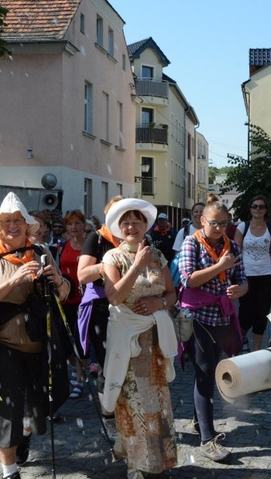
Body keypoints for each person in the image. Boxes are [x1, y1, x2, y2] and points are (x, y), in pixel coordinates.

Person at [0, 192, 73, 479]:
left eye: (18, 220)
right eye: (6, 222)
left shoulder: (42, 252)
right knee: (6, 413)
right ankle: (9, 470)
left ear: (28, 226)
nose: (12, 226)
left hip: (40, 346)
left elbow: (63, 295)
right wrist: (14, 280)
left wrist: (58, 281)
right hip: (4, 347)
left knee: (37, 408)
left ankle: (26, 431)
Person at [101, 198, 178, 478]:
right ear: (119, 228)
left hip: (155, 341)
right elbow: (115, 296)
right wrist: (136, 265)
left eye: (136, 221)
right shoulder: (112, 257)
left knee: (156, 401)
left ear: (146, 225)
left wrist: (160, 304)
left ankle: (157, 459)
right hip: (130, 345)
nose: (131, 226)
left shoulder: (157, 254)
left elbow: (171, 293)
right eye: (126, 222)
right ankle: (137, 464)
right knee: (134, 401)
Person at [178, 193, 248, 463]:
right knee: (205, 372)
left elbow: (243, 279)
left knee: (210, 370)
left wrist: (239, 289)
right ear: (202, 221)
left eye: (224, 223)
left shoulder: (232, 246)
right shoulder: (191, 243)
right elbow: (190, 280)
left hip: (223, 315)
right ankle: (208, 437)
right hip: (198, 315)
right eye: (214, 223)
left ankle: (199, 423)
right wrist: (220, 266)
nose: (219, 228)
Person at [77, 195, 123, 441]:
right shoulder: (96, 238)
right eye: (115, 213)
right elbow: (82, 275)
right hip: (101, 307)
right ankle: (109, 417)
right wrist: (107, 264)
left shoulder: (133, 238)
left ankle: (128, 413)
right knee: (107, 364)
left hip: (127, 307)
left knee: (127, 362)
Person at [234, 194, 271, 353]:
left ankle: (257, 351)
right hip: (246, 276)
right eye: (255, 206)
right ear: (250, 209)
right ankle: (240, 341)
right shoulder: (242, 227)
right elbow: (235, 253)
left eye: (261, 206)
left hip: (265, 276)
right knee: (245, 314)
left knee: (261, 314)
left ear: (266, 210)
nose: (258, 209)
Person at [56, 209, 87, 399]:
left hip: (85, 301)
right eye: (70, 224)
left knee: (81, 341)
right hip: (66, 299)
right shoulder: (61, 247)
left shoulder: (90, 247)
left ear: (83, 225)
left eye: (77, 223)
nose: (73, 227)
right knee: (65, 342)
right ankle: (77, 369)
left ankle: (79, 378)